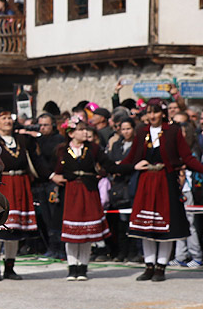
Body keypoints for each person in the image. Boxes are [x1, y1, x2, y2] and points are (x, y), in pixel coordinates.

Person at [118, 99, 203, 281]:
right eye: (149, 112)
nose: (152, 116)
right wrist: (112, 168)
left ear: (163, 113)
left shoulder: (172, 131)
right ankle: (149, 265)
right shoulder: (141, 132)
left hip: (166, 180)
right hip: (146, 181)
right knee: (145, 226)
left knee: (166, 226)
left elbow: (187, 157)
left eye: (155, 112)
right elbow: (131, 157)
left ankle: (161, 266)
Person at [49, 119, 124, 281]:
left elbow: (109, 165)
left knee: (86, 232)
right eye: (81, 130)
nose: (85, 132)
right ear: (71, 133)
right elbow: (51, 166)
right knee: (71, 233)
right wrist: (52, 176)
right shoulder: (62, 150)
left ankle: (82, 267)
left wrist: (130, 166)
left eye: (86, 130)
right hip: (70, 192)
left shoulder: (93, 149)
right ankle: (72, 267)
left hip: (88, 191)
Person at [0, 109, 36, 280]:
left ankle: (10, 268)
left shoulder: (21, 139)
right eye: (3, 118)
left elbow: (35, 158)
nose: (8, 121)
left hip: (19, 184)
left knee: (13, 231)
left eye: (9, 118)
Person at [103, 118, 138, 263]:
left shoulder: (137, 145)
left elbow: (134, 163)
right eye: (123, 129)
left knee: (132, 221)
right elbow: (110, 163)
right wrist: (116, 166)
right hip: (118, 186)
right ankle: (121, 252)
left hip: (131, 183)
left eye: (128, 128)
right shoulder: (117, 145)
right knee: (120, 222)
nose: (125, 132)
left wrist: (122, 166)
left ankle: (133, 252)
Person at [32, 113, 65, 260]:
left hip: (56, 183)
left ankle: (61, 248)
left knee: (57, 217)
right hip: (43, 182)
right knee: (46, 218)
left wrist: (54, 175)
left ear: (53, 125)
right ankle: (51, 247)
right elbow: (37, 162)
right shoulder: (36, 141)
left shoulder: (60, 141)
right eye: (41, 125)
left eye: (46, 125)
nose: (43, 128)